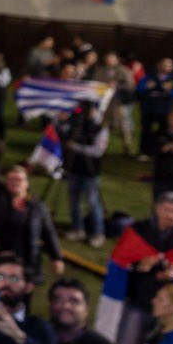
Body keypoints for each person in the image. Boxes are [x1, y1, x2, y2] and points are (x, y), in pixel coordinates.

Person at [108, 192, 173, 344]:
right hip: (140, 300)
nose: (170, 215)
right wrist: (138, 267)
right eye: (166, 210)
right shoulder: (138, 232)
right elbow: (119, 264)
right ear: (157, 208)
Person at [0, 164, 65, 285]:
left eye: (19, 180)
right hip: (0, 260)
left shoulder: (37, 208)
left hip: (27, 262)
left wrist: (56, 258)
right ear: (6, 183)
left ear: (26, 183)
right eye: (11, 179)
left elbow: (49, 233)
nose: (15, 182)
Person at [61, 103, 109, 246]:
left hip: (91, 172)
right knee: (73, 200)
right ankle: (77, 228)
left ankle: (98, 232)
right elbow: (63, 134)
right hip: (75, 168)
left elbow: (97, 151)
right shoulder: (76, 125)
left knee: (92, 202)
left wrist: (76, 147)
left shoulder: (100, 129)